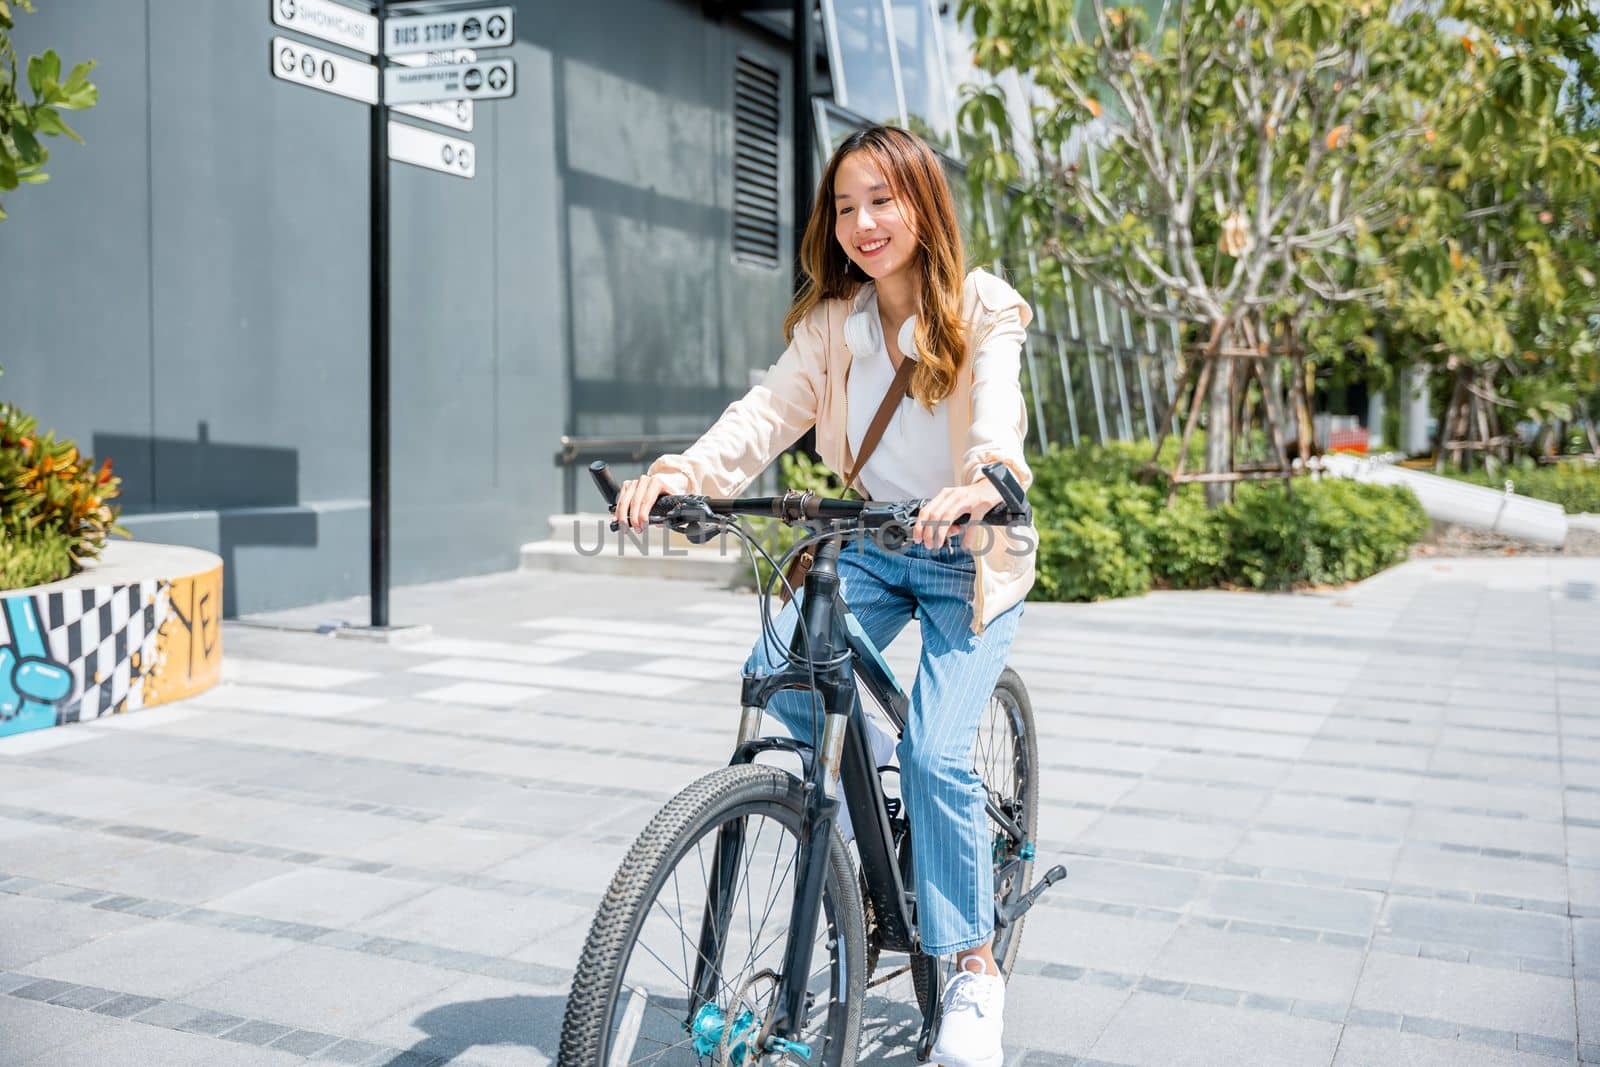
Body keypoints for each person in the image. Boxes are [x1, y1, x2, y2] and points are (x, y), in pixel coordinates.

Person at [616, 124, 1036, 1067]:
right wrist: (682, 471)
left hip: (972, 545)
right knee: (777, 672)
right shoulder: (832, 325)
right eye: (845, 206)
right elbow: (764, 415)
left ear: (922, 204)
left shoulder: (980, 307)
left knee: (935, 753)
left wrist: (987, 475)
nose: (862, 223)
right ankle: (852, 843)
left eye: (881, 201)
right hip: (874, 544)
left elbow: (998, 406)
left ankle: (972, 970)